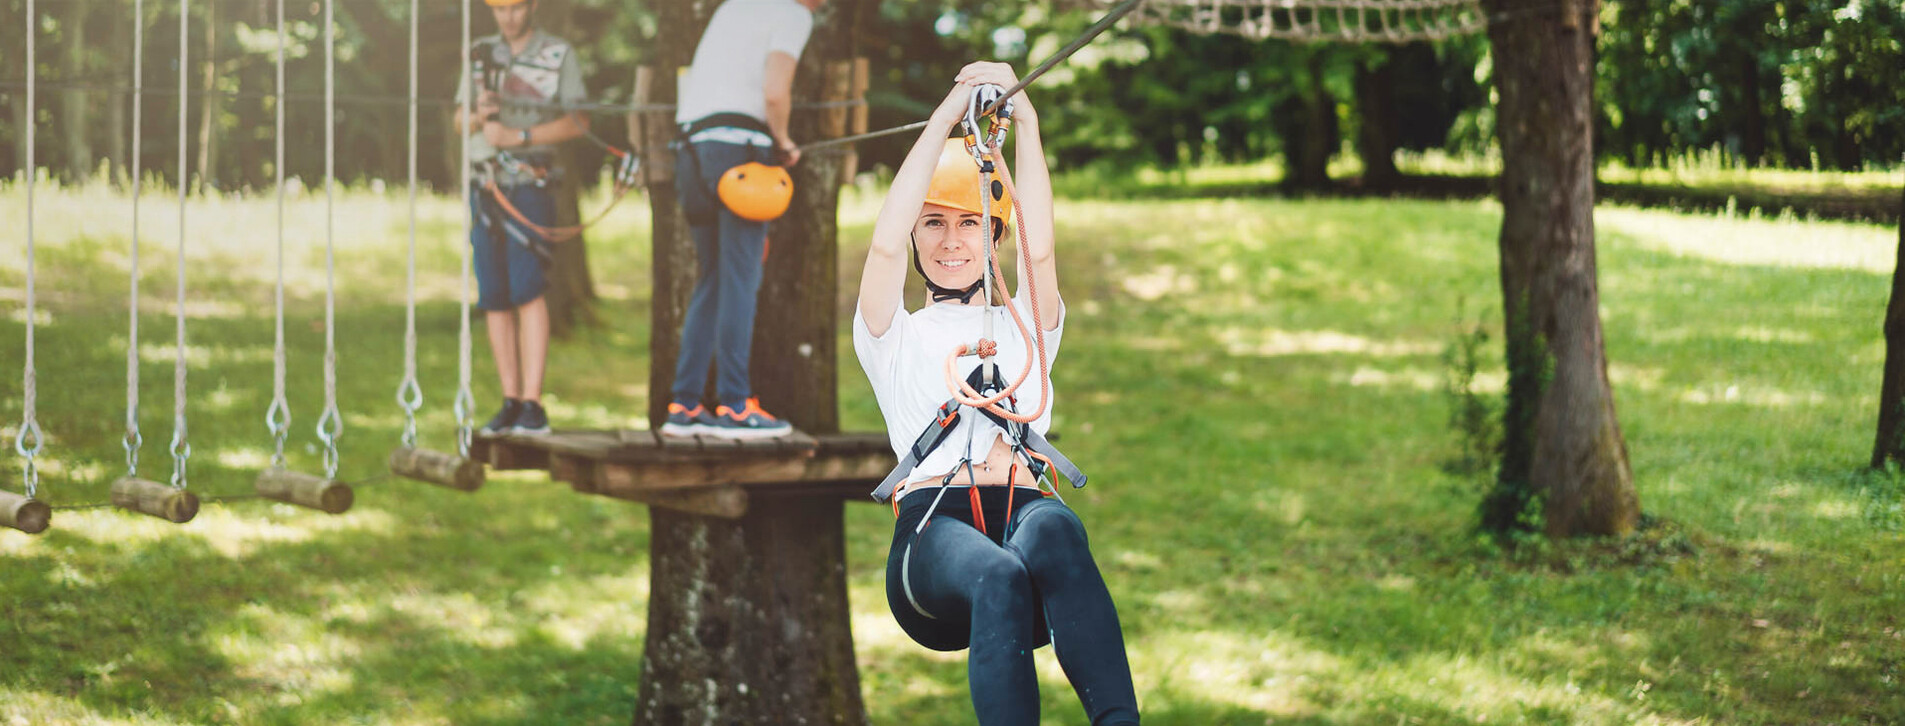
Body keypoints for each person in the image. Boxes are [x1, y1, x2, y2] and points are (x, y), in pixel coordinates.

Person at [852, 62, 1141, 726]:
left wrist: (1028, 125)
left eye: (969, 224)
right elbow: (881, 241)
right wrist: (948, 116)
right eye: (933, 225)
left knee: (1058, 529)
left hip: (1025, 518)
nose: (952, 241)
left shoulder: (1026, 328)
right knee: (998, 575)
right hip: (934, 539)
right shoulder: (890, 334)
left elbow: (1040, 253)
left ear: (993, 234)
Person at [659, 0, 825, 439]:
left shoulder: (736, 5)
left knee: (712, 279)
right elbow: (774, 90)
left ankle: (685, 404)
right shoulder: (793, 14)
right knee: (740, 279)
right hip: (739, 155)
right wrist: (784, 139)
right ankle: (734, 404)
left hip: (692, 154)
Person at [452, 0, 589, 435]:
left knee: (528, 288)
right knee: (494, 293)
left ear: (532, 6)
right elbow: (459, 121)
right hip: (484, 183)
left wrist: (518, 135)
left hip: (529, 182)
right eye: (499, 9)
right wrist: (480, 115)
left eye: (515, 7)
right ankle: (509, 400)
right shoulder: (478, 53)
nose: (508, 17)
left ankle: (533, 403)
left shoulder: (557, 54)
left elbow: (578, 121)